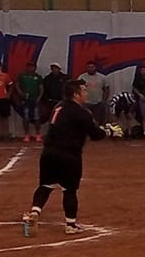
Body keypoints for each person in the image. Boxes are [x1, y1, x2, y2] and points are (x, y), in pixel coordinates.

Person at [21, 77, 108, 233]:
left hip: (49, 153)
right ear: (75, 94)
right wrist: (108, 131)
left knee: (45, 186)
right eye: (83, 90)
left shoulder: (58, 106)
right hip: (69, 155)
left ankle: (34, 212)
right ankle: (70, 225)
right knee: (69, 190)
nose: (86, 93)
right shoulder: (82, 112)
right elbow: (95, 135)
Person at [14, 64, 45, 143]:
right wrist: (21, 93)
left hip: (35, 100)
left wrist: (39, 98)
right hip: (25, 100)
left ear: (35, 68)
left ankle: (38, 134)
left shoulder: (38, 77)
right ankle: (27, 134)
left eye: (32, 67)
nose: (31, 68)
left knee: (37, 117)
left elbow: (41, 88)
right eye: (29, 66)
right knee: (26, 117)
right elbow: (17, 85)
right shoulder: (22, 76)